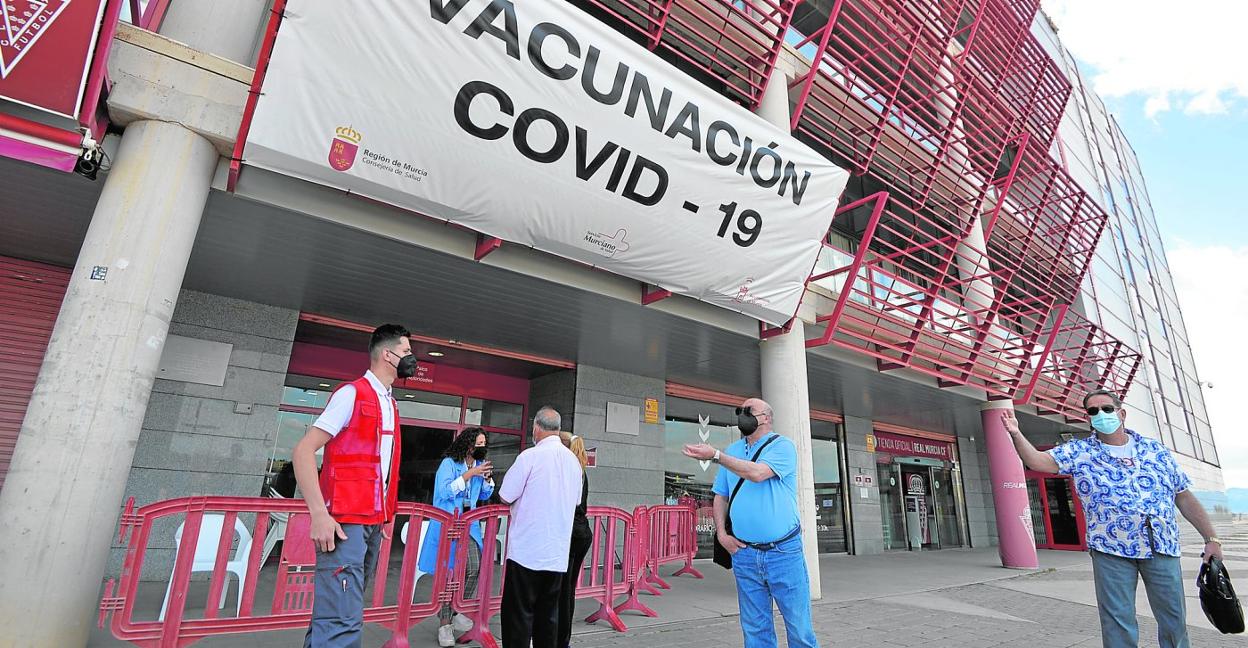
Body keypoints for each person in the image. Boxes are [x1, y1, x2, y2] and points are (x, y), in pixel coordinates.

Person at [1004, 388, 1224, 648]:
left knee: (1174, 618)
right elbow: (1038, 462)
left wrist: (1211, 539)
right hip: (1111, 549)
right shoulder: (1080, 451)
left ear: (1122, 413)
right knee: (1117, 620)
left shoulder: (1155, 451)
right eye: (1093, 411)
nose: (1100, 414)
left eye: (1106, 409)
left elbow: (1184, 496)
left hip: (1161, 545)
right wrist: (1016, 433)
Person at [291, 324, 415, 647]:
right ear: (388, 355)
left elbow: (382, 467)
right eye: (406, 352)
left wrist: (385, 514)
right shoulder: (351, 394)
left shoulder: (389, 403)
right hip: (344, 524)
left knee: (338, 612)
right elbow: (303, 451)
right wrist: (319, 514)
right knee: (342, 621)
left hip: (371, 524)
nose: (411, 359)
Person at [681, 398, 818, 648]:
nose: (742, 415)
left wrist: (716, 455)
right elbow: (720, 495)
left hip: (783, 552)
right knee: (755, 629)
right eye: (739, 411)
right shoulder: (732, 451)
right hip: (744, 553)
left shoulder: (783, 446)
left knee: (799, 628)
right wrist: (722, 534)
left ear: (766, 417)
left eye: (748, 411)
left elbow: (756, 473)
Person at [498, 407, 583, 648]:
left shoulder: (529, 457)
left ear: (536, 428)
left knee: (519, 616)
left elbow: (506, 495)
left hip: (526, 551)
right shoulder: (573, 462)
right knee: (548, 617)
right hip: (556, 553)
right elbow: (576, 500)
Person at [420, 427, 496, 647]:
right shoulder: (449, 464)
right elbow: (444, 492)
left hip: (469, 525)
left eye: (484, 444)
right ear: (468, 444)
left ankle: (456, 609)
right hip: (448, 524)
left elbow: (483, 495)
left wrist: (487, 479)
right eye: (478, 444)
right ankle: (445, 624)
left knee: (474, 567)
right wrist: (469, 474)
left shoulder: (479, 466)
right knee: (448, 575)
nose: (482, 448)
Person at [557, 432, 592, 648]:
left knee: (561, 589)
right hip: (581, 533)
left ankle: (559, 639)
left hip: (570, 533)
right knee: (567, 589)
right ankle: (563, 639)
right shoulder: (581, 470)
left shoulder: (568, 470)